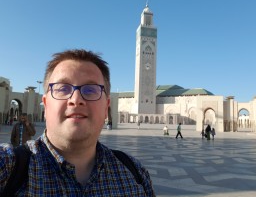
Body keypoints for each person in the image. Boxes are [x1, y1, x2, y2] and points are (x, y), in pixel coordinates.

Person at [0, 49, 155, 196]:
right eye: (62, 89)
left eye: (91, 90)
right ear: (46, 105)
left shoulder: (135, 174)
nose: (76, 100)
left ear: (106, 107)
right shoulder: (8, 167)